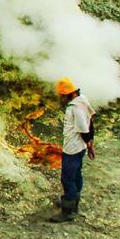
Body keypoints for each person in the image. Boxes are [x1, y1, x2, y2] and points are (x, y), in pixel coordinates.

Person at [51, 78, 95, 223]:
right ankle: (73, 201)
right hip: (80, 147)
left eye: (63, 96)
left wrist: (89, 143)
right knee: (76, 174)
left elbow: (83, 128)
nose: (61, 99)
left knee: (68, 178)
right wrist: (90, 142)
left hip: (72, 148)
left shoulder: (74, 108)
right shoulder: (82, 100)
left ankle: (68, 211)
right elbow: (91, 120)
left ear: (71, 94)